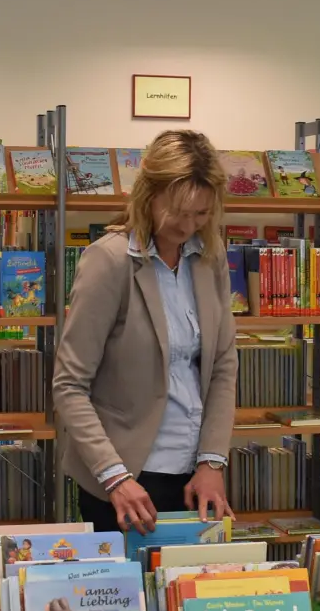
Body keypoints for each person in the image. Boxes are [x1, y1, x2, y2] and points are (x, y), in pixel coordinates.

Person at [53, 129, 237, 533]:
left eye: (202, 214)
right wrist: (115, 477)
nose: (189, 225)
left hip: (196, 475)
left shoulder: (210, 257)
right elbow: (69, 385)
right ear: (148, 196)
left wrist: (211, 461)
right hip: (125, 479)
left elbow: (223, 365)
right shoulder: (108, 261)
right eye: (178, 212)